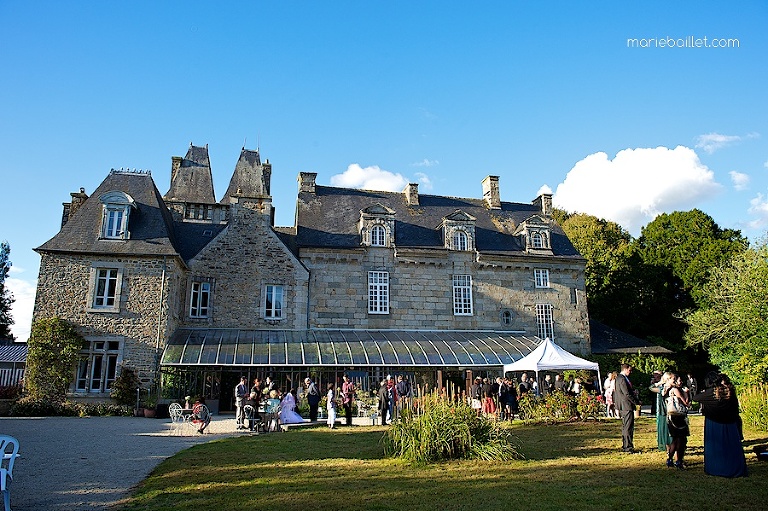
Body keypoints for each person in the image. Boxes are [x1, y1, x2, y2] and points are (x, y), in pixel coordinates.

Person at [690, 372, 747, 478]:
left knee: (716, 448)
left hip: (714, 424)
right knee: (731, 447)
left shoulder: (711, 393)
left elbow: (696, 398)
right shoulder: (730, 391)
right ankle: (735, 467)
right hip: (730, 424)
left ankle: (716, 468)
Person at [664, 374, 690, 469]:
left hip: (671, 416)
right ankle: (678, 460)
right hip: (678, 416)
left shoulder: (667, 390)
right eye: (677, 380)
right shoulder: (676, 390)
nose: (680, 382)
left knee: (675, 439)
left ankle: (670, 459)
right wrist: (687, 393)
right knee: (680, 439)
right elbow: (686, 403)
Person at [614, 363, 641, 453]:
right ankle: (627, 446)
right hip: (626, 405)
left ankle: (626, 444)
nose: (630, 372)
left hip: (623, 405)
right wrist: (636, 401)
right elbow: (627, 393)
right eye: (629, 370)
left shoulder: (619, 378)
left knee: (626, 426)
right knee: (628, 427)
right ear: (625, 369)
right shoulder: (622, 379)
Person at [649, 372, 673, 452]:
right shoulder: (663, 387)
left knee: (667, 428)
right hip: (663, 410)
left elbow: (651, 387)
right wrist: (659, 383)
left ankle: (668, 444)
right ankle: (665, 444)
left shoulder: (670, 387)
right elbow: (651, 387)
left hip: (667, 410)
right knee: (663, 428)